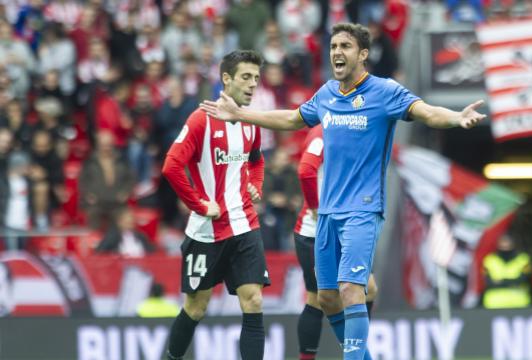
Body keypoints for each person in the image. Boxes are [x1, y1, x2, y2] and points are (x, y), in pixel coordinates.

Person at [199, 22, 484, 360]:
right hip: (328, 212)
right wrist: (241, 114)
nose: (337, 52)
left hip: (363, 209)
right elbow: (291, 119)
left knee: (352, 289)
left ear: (363, 54)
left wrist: (456, 117)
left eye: (345, 47)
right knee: (327, 296)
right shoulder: (326, 94)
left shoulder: (385, 91)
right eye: (334, 46)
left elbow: (427, 112)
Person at [162, 50, 269, 360]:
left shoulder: (251, 121)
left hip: (245, 225)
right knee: (196, 308)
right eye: (246, 77)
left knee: (254, 302)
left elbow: (257, 160)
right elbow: (171, 166)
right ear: (226, 79)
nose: (252, 85)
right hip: (207, 233)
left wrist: (255, 184)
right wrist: (198, 204)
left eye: (256, 79)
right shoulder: (201, 119)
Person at [295, 125, 378, 360]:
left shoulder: (355, 128)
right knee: (319, 298)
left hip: (346, 228)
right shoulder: (323, 131)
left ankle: (359, 352)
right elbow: (306, 170)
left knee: (368, 289)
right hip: (315, 232)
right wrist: (313, 206)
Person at [482, 234, 531, 309]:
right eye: (503, 243)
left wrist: (500, 282)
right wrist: (512, 282)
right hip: (494, 303)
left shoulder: (523, 259)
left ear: (513, 244)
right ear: (498, 245)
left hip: (519, 302)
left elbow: (524, 279)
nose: (505, 246)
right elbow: (487, 282)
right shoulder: (489, 260)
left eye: (507, 243)